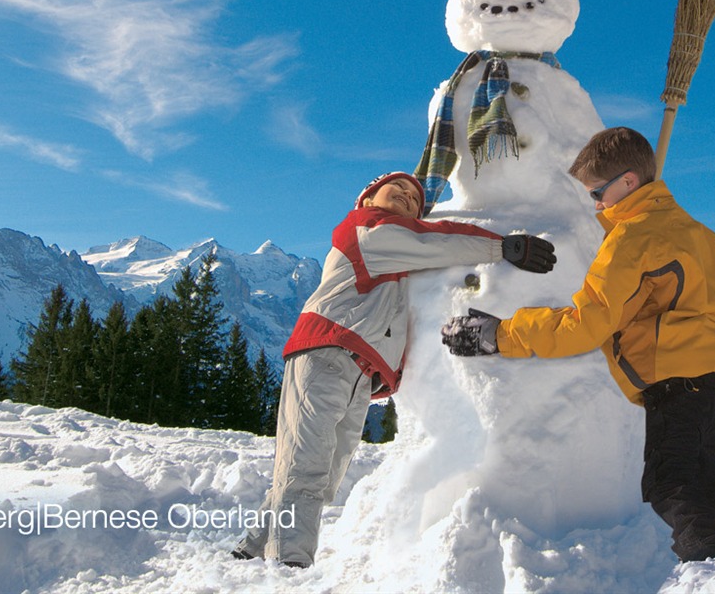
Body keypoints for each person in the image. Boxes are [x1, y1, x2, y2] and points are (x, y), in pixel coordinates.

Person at [441, 128, 715, 562]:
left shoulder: (630, 241)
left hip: (678, 381)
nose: (596, 204)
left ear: (630, 182)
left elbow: (584, 326)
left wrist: (499, 334)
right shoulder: (702, 234)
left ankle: (714, 570)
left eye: (598, 192)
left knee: (668, 486)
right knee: (705, 489)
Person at [233, 171, 556, 568]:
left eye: (414, 198)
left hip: (355, 371)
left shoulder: (392, 255)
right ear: (368, 199)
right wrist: (502, 246)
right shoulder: (367, 231)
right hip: (325, 356)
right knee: (308, 466)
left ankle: (252, 547)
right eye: (396, 190)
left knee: (322, 471)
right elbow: (434, 241)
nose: (406, 197)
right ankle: (288, 565)